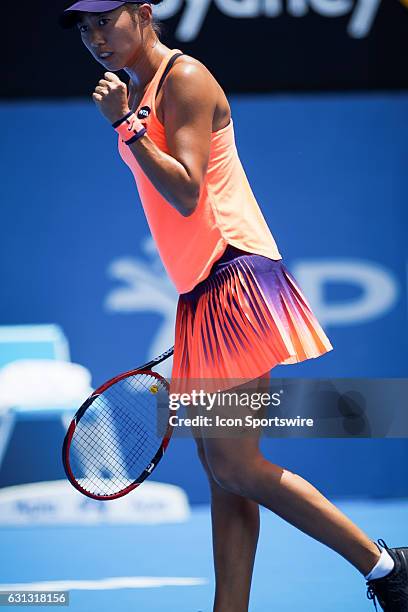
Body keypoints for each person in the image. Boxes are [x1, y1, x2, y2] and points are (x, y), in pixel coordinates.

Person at [60, 2, 408, 610]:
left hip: (234, 277)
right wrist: (129, 120)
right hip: (202, 291)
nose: (94, 37)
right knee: (224, 471)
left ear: (143, 14)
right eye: (84, 27)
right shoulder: (140, 92)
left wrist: (126, 126)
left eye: (104, 20)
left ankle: (387, 568)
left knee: (237, 465)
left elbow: (189, 192)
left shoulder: (185, 79)